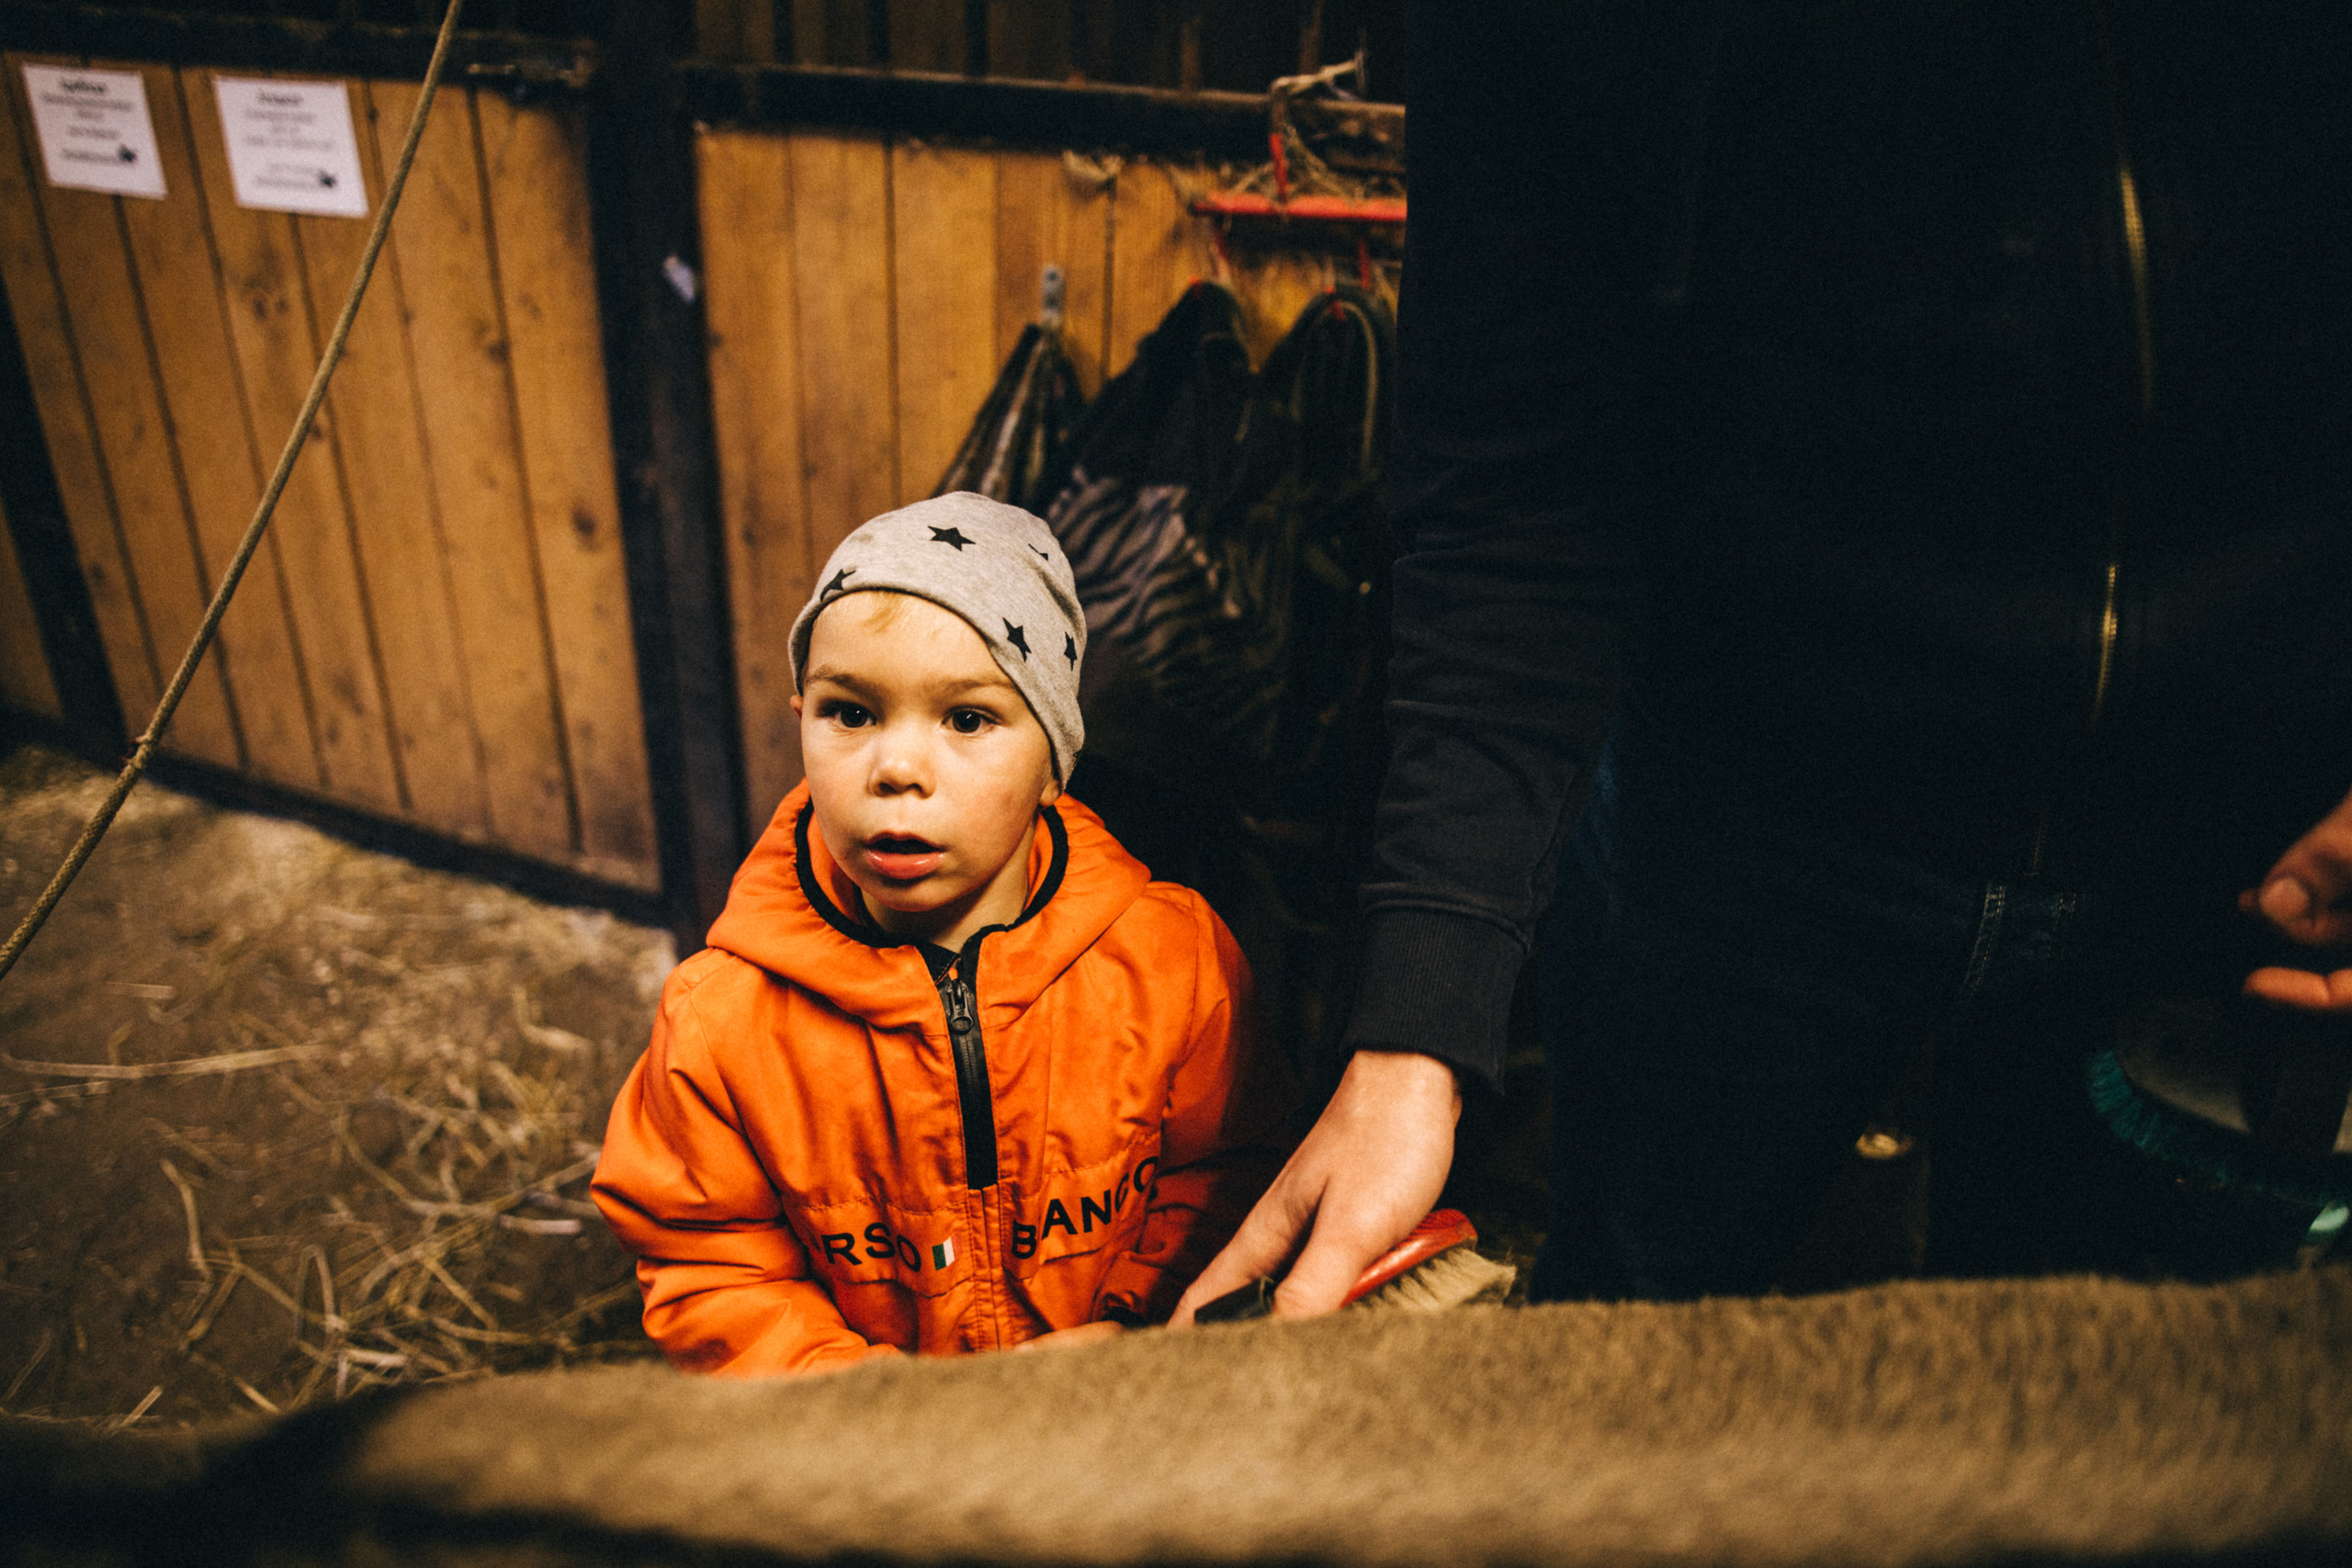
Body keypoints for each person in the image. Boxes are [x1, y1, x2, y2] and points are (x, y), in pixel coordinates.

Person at [1178, 2, 2352, 1322]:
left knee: (2136, 1429)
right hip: (1734, 813)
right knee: (1622, 1375)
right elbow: (1513, 492)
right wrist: (1419, 1027)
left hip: (2234, 856)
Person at [595, 493, 1295, 1375]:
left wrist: (1135, 1332)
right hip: (868, 1452)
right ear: (800, 711)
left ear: (1053, 758)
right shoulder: (721, 1020)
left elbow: (1229, 1173)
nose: (896, 769)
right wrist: (858, 1391)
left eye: (967, 719)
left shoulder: (1173, 961)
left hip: (1116, 1403)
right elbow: (708, 1259)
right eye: (850, 712)